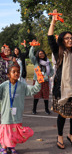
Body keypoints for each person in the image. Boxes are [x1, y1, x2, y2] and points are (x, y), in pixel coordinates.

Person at [0, 63, 41, 154]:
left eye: (18, 71)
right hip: (6, 114)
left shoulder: (22, 85)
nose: (16, 73)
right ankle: (3, 147)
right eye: (14, 72)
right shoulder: (4, 85)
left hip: (17, 114)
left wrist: (38, 82)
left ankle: (12, 146)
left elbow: (34, 90)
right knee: (6, 130)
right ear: (9, 74)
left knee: (14, 131)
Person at [48, 9, 72, 149]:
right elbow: (50, 38)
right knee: (62, 115)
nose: (70, 40)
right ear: (62, 40)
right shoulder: (59, 53)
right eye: (67, 38)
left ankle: (71, 135)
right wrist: (53, 22)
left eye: (71, 38)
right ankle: (60, 137)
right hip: (62, 89)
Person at [29, 43, 54, 115]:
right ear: (38, 55)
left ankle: (46, 109)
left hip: (45, 81)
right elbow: (31, 55)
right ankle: (34, 109)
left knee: (46, 96)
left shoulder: (48, 63)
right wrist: (33, 47)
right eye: (40, 54)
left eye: (42, 53)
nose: (41, 55)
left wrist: (47, 76)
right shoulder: (35, 61)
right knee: (36, 95)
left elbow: (52, 71)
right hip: (37, 81)